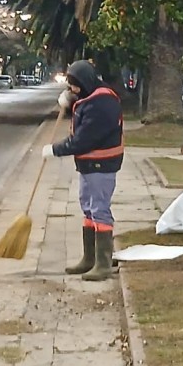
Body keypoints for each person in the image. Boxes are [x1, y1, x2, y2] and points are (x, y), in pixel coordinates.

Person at [43, 60, 124, 281]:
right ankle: (90, 259)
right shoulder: (90, 96)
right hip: (89, 165)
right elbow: (82, 110)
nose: (72, 89)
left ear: (85, 82)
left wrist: (55, 150)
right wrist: (71, 101)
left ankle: (103, 264)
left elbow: (83, 139)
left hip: (101, 164)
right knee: (88, 208)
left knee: (99, 209)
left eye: (74, 85)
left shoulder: (103, 103)